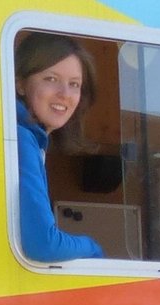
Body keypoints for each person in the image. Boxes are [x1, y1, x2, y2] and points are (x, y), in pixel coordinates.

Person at [15, 32, 104, 263]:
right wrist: (92, 248)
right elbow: (43, 244)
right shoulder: (19, 139)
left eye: (74, 84)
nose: (65, 94)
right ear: (20, 83)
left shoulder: (30, 137)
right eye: (51, 79)